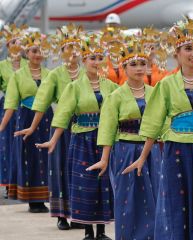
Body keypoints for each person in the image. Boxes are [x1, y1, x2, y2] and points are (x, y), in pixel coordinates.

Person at [122, 18, 193, 240]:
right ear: (177, 52)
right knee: (177, 198)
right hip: (176, 148)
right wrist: (143, 156)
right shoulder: (166, 84)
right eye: (188, 48)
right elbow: (154, 121)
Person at [36, 34, 117, 240]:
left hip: (105, 140)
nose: (97, 63)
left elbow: (123, 107)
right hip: (82, 140)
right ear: (83, 61)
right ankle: (88, 231)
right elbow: (63, 114)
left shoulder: (111, 86)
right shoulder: (74, 87)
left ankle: (102, 231)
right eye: (92, 59)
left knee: (104, 183)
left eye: (100, 58)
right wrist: (54, 139)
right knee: (86, 185)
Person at [87, 40, 162, 240]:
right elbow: (107, 128)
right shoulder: (116, 96)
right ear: (124, 67)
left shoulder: (156, 93)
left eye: (142, 63)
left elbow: (163, 123)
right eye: (133, 64)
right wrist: (104, 159)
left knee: (154, 195)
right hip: (126, 151)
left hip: (152, 151)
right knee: (128, 198)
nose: (139, 68)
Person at [14, 24, 85, 230]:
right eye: (68, 49)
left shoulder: (90, 73)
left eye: (77, 48)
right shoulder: (55, 75)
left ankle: (81, 216)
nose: (73, 53)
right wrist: (31, 127)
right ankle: (62, 216)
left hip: (85, 130)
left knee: (82, 172)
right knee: (61, 170)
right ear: (61, 52)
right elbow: (42, 103)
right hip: (62, 129)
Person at [0, 32, 52, 213]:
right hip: (26, 117)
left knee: (46, 156)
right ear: (27, 53)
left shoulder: (49, 74)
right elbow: (11, 103)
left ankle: (45, 196)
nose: (38, 54)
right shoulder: (19, 75)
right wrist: (2, 126)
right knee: (30, 156)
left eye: (40, 51)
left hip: (46, 118)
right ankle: (33, 200)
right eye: (33, 51)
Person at [0, 25, 27, 194]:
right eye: (14, 43)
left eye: (20, 43)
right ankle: (8, 182)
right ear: (8, 46)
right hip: (8, 108)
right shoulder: (2, 65)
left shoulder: (29, 63)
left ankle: (24, 182)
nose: (17, 46)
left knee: (25, 145)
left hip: (26, 107)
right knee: (7, 145)